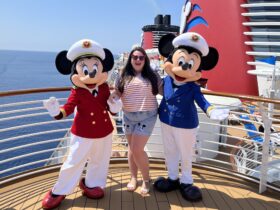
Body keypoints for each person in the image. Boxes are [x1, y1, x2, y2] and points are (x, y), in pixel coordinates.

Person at [42, 39, 121, 209]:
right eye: (85, 69)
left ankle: (92, 184)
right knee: (74, 161)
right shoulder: (77, 91)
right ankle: (59, 191)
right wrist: (56, 111)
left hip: (104, 130)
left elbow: (109, 106)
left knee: (100, 160)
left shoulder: (105, 88)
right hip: (83, 133)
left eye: (95, 68)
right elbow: (68, 108)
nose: (91, 74)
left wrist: (115, 105)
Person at [109, 46, 161, 195]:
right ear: (130, 59)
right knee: (131, 149)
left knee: (137, 149)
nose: (138, 60)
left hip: (147, 116)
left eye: (141, 57)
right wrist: (112, 96)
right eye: (135, 57)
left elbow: (164, 90)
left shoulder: (153, 75)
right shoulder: (123, 74)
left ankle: (145, 179)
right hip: (128, 116)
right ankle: (133, 178)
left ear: (145, 60)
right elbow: (118, 91)